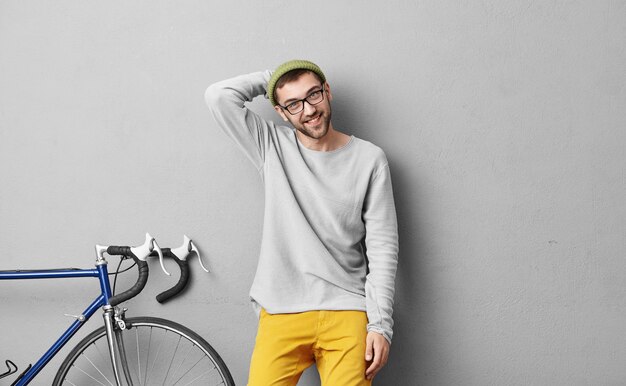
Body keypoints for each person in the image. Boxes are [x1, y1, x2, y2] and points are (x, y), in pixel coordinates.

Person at [205, 59, 399, 386]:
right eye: (293, 104)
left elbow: (382, 247)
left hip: (347, 311)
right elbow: (218, 96)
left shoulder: (370, 159)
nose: (308, 110)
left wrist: (380, 325)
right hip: (281, 309)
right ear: (280, 112)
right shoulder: (271, 146)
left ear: (328, 92)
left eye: (313, 95)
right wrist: (276, 77)